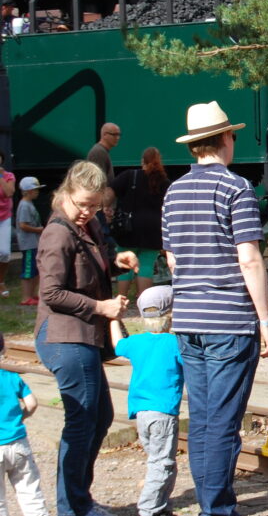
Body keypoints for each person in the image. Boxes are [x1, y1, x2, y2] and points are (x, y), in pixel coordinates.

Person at [161, 100, 268, 516]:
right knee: (224, 425)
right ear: (226, 138)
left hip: (189, 321)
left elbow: (173, 260)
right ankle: (217, 510)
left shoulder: (173, 192)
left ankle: (212, 504)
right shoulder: (236, 188)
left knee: (205, 421)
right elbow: (248, 257)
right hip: (229, 321)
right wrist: (265, 320)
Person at [34, 160, 136, 516]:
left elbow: (96, 255)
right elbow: (51, 293)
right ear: (66, 192)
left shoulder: (87, 224)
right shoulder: (57, 233)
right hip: (62, 337)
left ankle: (78, 499)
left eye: (94, 205)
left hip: (83, 337)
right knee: (83, 420)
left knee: (101, 416)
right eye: (82, 204)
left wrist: (116, 257)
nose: (87, 211)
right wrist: (101, 306)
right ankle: (72, 506)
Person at [109, 285, 183, 516]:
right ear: (172, 314)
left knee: (159, 461)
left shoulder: (137, 343)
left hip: (141, 413)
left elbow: (118, 345)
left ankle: (162, 507)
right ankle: (149, 509)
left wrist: (114, 319)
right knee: (162, 464)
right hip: (164, 413)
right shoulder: (176, 344)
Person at [0, 332, 50, 516]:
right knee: (31, 494)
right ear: (3, 349)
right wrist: (22, 417)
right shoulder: (12, 377)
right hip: (18, 443)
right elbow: (32, 403)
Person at [111, 148, 170, 297]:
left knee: (125, 265)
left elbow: (109, 192)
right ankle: (144, 302)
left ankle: (121, 298)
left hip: (129, 228)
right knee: (146, 266)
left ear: (142, 161)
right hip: (154, 229)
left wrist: (107, 208)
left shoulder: (129, 176)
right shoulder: (164, 181)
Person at [16, 177, 45, 306]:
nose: (37, 192)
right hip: (28, 244)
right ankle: (26, 297)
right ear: (28, 191)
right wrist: (38, 230)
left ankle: (32, 294)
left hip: (34, 243)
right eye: (35, 190)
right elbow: (23, 225)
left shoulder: (29, 204)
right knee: (28, 270)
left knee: (34, 269)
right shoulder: (24, 206)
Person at [0, 154, 15, 298]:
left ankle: (1, 281)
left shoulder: (8, 176)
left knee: (4, 253)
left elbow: (9, 193)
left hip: (3, 218)